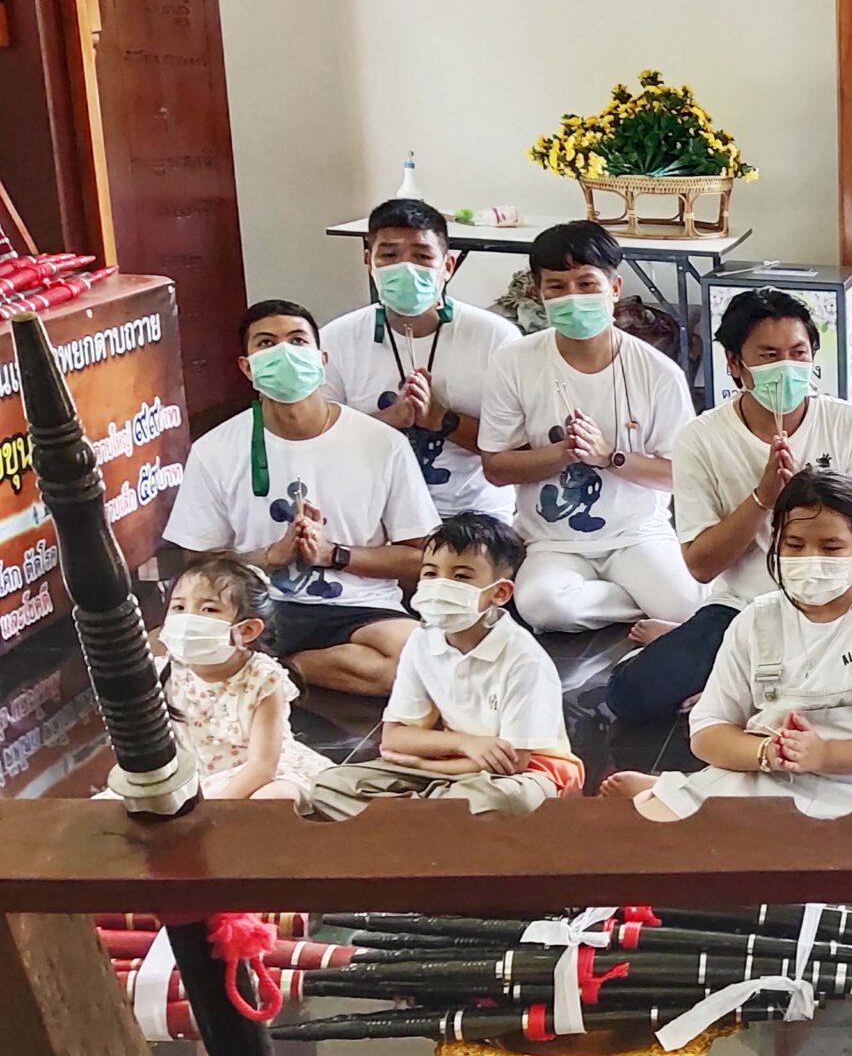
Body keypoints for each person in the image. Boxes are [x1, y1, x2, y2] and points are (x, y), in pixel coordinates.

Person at [602, 289, 852, 723]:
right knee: (632, 694)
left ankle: (739, 681)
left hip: (840, 600)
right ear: (734, 364)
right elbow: (701, 566)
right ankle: (740, 671)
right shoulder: (699, 439)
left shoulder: (850, 424)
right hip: (743, 608)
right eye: (769, 356)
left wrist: (816, 496)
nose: (786, 368)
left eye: (798, 353)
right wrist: (762, 498)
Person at [603, 469, 852, 820]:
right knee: (665, 834)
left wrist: (824, 755)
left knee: (816, 845)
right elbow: (707, 732)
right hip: (763, 780)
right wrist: (769, 752)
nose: (810, 558)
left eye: (830, 547)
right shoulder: (756, 619)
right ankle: (674, 792)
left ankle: (668, 789)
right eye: (795, 545)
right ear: (777, 542)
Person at [165, 301, 437, 696]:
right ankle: (269, 667)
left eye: (297, 341)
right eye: (266, 343)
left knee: (420, 666)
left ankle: (285, 671)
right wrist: (266, 557)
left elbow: (420, 558)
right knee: (163, 654)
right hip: (257, 605)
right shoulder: (214, 450)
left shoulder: (382, 443)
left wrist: (334, 554)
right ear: (247, 367)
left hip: (359, 606)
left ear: (322, 360)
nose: (284, 353)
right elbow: (196, 559)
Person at [479, 221, 702, 636]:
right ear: (538, 292)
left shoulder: (658, 372)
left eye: (586, 284)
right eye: (557, 287)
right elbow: (495, 467)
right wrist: (562, 453)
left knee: (689, 607)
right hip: (552, 540)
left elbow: (681, 476)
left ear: (614, 288)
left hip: (637, 533)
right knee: (542, 607)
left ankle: (640, 601)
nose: (573, 298)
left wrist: (608, 457)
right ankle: (637, 604)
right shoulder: (513, 362)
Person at [307, 514, 582, 819]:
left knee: (506, 799)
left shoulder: (524, 658)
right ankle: (435, 819)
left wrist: (422, 764)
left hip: (522, 774)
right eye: (430, 573)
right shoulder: (422, 640)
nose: (440, 585)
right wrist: (464, 743)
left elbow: (514, 761)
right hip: (454, 763)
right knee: (329, 786)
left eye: (461, 576)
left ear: (499, 593)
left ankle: (414, 820)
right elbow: (395, 737)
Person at [317, 198, 519, 520]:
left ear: (448, 266)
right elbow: (321, 446)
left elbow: (513, 452)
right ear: (369, 262)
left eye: (422, 256)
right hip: (375, 513)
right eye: (389, 255)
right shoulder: (335, 340)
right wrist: (390, 420)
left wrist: (441, 420)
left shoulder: (496, 337)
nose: (406, 268)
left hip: (472, 513)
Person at [152, 559, 331, 804]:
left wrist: (215, 808)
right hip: (195, 778)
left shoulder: (262, 679)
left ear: (246, 630)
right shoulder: (163, 671)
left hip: (259, 774)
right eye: (179, 607)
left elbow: (262, 767)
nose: (188, 619)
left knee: (275, 798)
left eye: (208, 609)